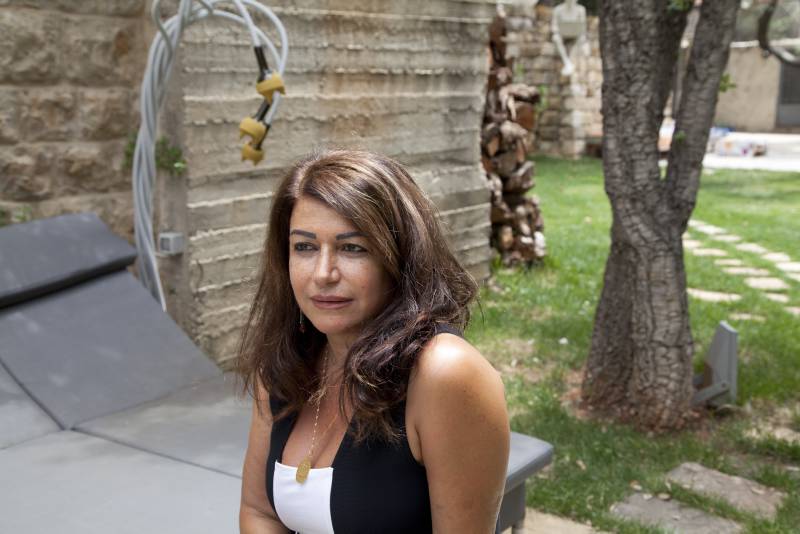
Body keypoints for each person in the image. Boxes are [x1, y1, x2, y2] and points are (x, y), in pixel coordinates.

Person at [236, 149, 510, 533]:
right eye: (305, 247)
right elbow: (259, 511)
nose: (323, 273)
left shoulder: (445, 373)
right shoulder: (286, 360)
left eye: (352, 248)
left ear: (398, 257)